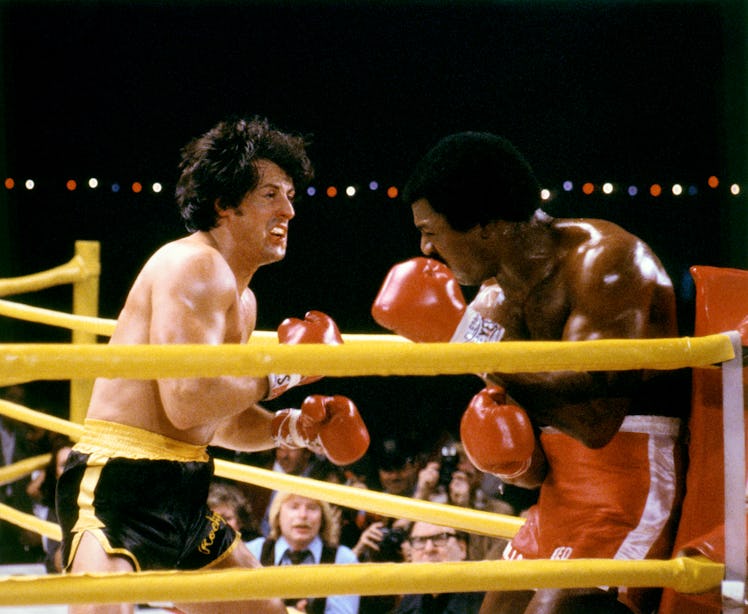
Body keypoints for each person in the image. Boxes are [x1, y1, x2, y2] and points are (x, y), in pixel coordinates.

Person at [55, 116, 370, 614]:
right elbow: (187, 400)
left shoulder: (242, 301)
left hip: (183, 492)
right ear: (225, 204)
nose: (288, 209)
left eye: (289, 194)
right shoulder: (193, 266)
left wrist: (292, 429)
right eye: (270, 194)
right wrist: (284, 371)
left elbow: (213, 420)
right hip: (119, 486)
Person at [372, 131, 688, 613]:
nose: (425, 249)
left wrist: (464, 341)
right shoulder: (494, 302)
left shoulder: (605, 261)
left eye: (432, 231)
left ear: (484, 225)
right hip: (557, 496)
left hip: (630, 485)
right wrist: (512, 459)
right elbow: (537, 455)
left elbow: (595, 420)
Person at [246, 491, 360, 614]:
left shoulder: (343, 560)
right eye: (294, 507)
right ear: (278, 514)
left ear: (323, 517)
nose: (303, 515)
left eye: (312, 508)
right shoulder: (251, 552)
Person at [394, 520, 483, 614]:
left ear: (462, 548)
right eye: (420, 540)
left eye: (440, 538)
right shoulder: (406, 605)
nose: (429, 548)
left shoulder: (487, 604)